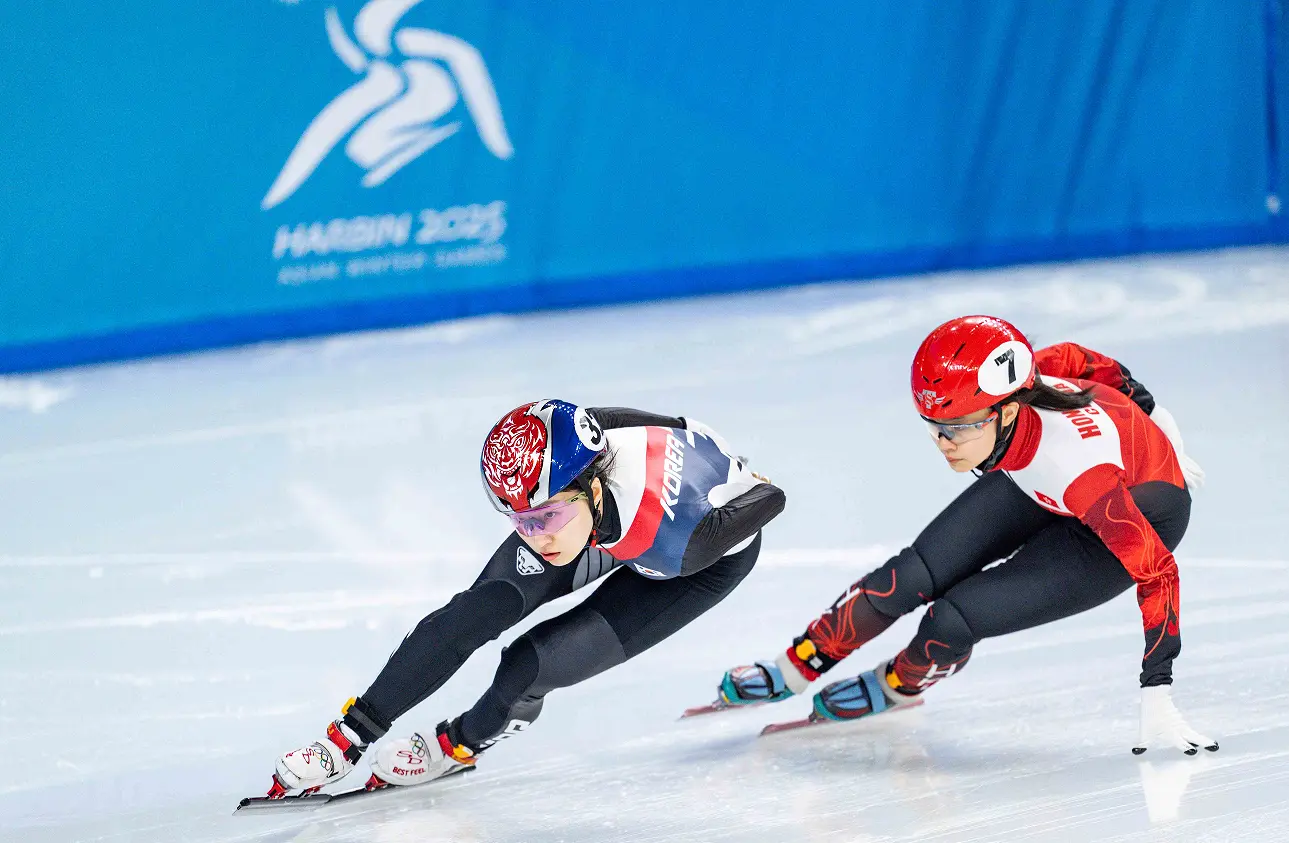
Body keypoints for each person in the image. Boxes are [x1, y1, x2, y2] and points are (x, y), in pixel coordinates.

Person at [718, 315, 1218, 756]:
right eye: (932, 425)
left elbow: (1158, 574)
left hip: (1126, 517)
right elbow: (1078, 358)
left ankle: (898, 687)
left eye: (955, 429)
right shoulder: (1021, 383)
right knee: (909, 574)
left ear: (1003, 411)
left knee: (953, 618)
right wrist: (1148, 408)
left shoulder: (1080, 473)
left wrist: (1158, 689)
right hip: (1034, 474)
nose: (942, 444)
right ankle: (794, 665)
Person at [266, 400, 785, 797]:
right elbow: (636, 422)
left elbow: (774, 497)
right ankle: (348, 739)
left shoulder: (681, 540)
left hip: (692, 560)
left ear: (594, 491)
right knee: (476, 612)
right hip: (610, 524)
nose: (536, 537)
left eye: (547, 518)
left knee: (529, 666)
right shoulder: (569, 469)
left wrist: (746, 482)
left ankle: (458, 745)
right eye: (521, 521)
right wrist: (551, 517)